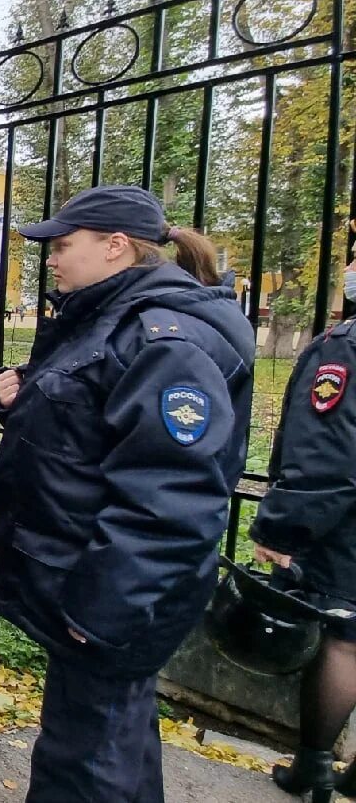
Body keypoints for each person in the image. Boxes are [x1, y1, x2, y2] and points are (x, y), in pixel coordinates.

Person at [0, 184, 255, 803]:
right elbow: (90, 417)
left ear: (115, 246)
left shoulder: (166, 341)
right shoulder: (106, 316)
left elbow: (169, 500)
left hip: (110, 598)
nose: (50, 258)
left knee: (85, 763)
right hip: (89, 585)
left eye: (62, 245)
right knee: (110, 740)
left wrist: (98, 615)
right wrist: (14, 396)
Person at [251, 224, 356, 802]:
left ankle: (314, 765)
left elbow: (327, 459)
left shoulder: (344, 348)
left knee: (344, 638)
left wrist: (281, 528)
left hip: (346, 526)